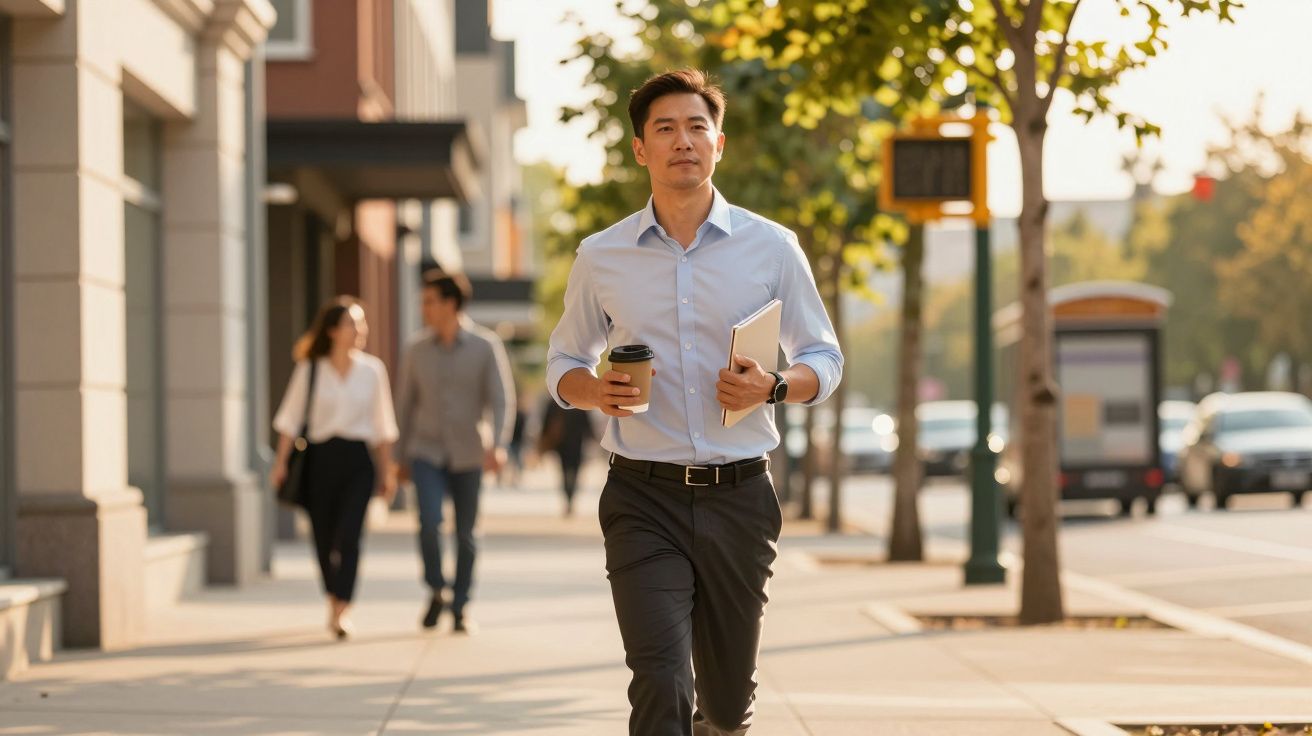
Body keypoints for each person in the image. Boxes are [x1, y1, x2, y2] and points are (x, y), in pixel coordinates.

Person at [546, 69, 843, 735]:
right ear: (640, 149)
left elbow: (824, 359)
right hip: (641, 498)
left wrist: (770, 385)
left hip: (740, 497)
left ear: (719, 144)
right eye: (665, 128)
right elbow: (562, 362)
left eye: (696, 126)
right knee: (659, 675)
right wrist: (595, 389)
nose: (683, 140)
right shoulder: (603, 256)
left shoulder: (772, 247)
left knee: (728, 704)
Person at [395, 270, 516, 634]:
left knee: (466, 533)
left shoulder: (485, 345)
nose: (424, 309)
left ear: (450, 303)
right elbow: (404, 404)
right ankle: (436, 588)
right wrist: (398, 457)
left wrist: (498, 444)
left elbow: (500, 399)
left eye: (429, 301)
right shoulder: (415, 350)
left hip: (469, 453)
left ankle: (460, 605)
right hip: (426, 451)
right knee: (429, 523)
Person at [271, 297, 399, 640]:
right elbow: (289, 419)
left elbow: (383, 426)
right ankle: (332, 599)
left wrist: (387, 472)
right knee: (323, 536)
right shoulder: (310, 369)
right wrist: (280, 463)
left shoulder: (373, 371)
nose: (360, 330)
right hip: (319, 460)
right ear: (332, 331)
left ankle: (343, 607)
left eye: (361, 323)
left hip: (358, 460)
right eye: (351, 323)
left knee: (351, 535)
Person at [537, 396, 598, 516]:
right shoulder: (580, 402)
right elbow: (588, 425)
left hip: (565, 445)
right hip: (573, 445)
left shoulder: (555, 402)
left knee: (566, 472)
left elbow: (546, 423)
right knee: (572, 472)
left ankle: (569, 497)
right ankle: (569, 498)